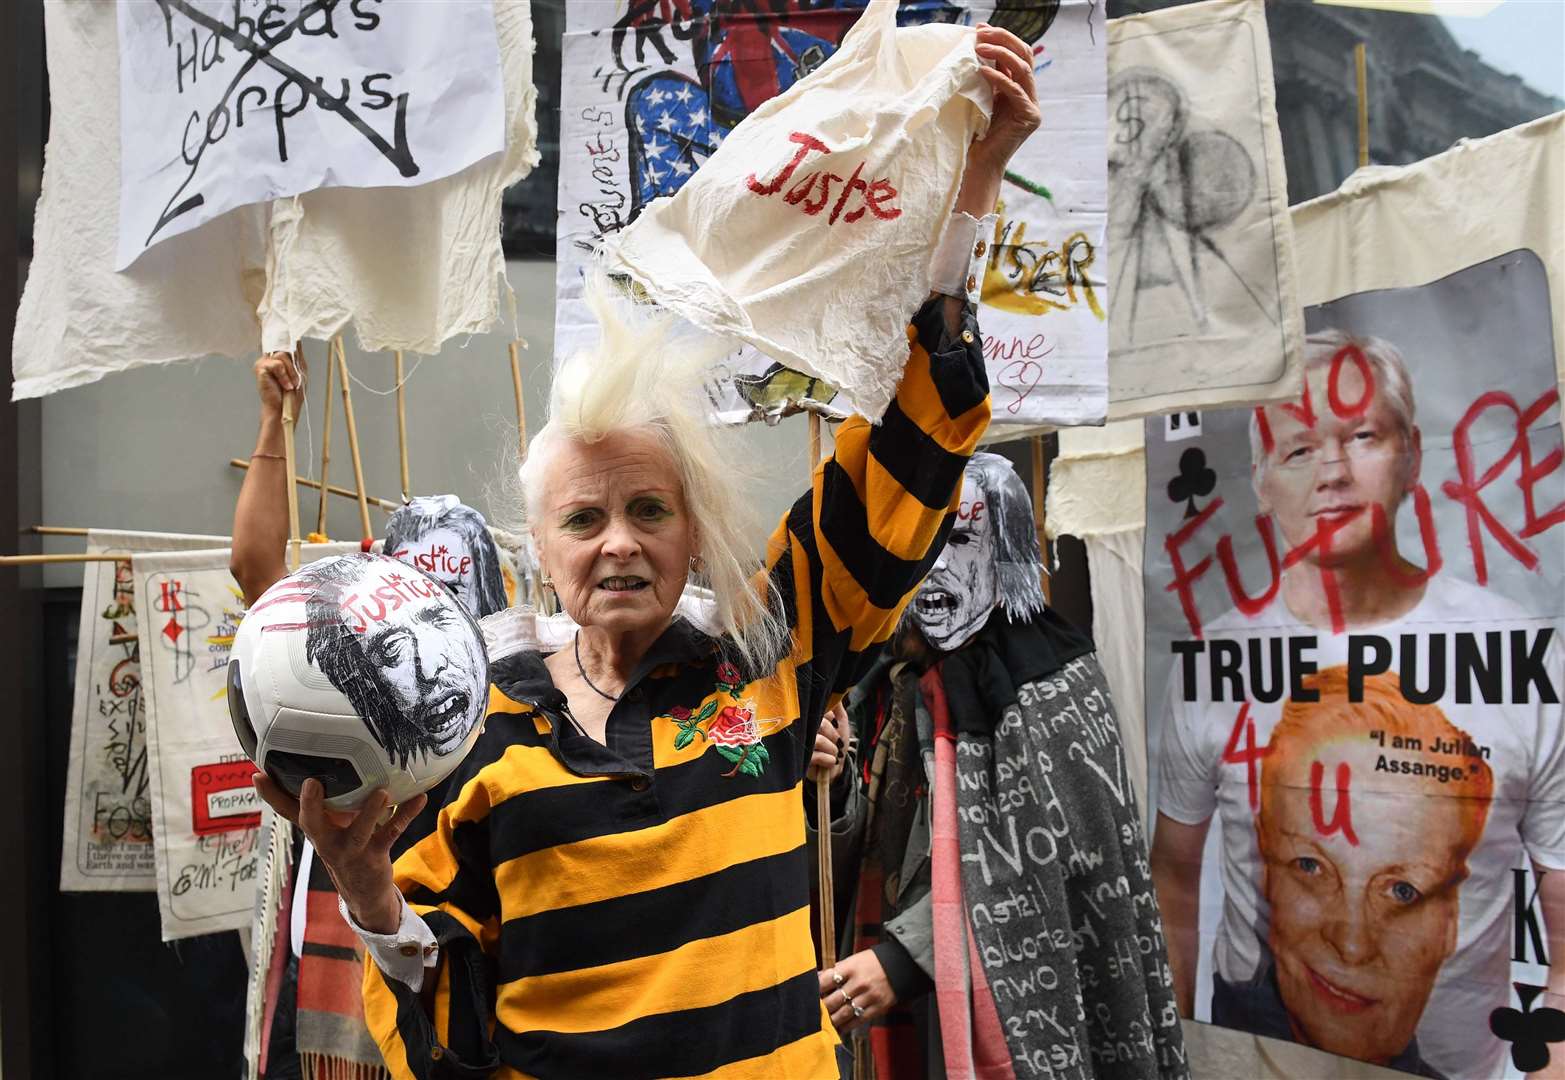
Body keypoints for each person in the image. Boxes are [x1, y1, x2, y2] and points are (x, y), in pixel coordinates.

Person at [249, 25, 1041, 1078]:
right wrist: (371, 896)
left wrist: (969, 186)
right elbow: (455, 1038)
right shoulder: (468, 732)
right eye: (583, 520)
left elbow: (906, 453)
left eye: (649, 511)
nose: (617, 541)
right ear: (538, 546)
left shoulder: (768, 657)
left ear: (695, 528)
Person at [1150, 329, 1565, 1078]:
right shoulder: (1210, 658)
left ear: (1409, 452)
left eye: (1361, 436)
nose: (1333, 472)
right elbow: (1172, 880)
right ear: (1262, 481)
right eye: (1300, 450)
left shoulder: (1521, 648)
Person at [829, 454, 1186, 1078]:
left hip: (1011, 1005)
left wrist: (907, 960)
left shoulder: (1052, 684)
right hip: (901, 1016)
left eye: (959, 540)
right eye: (920, 544)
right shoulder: (892, 675)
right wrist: (828, 783)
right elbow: (868, 845)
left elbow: (1050, 873)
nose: (934, 567)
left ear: (1005, 550)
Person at [1228, 666, 1494, 1078]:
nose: (1351, 944)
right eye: (1310, 866)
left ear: (1450, 923)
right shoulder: (1197, 1034)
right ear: (1264, 863)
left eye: (1403, 891)